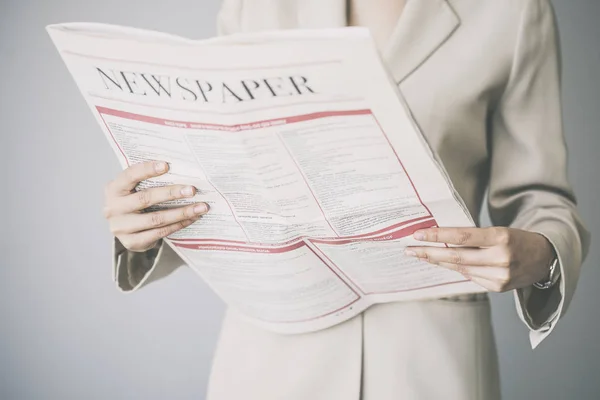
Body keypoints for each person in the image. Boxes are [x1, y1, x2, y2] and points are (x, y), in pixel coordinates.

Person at [102, 0, 590, 399]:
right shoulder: (255, 8)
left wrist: (544, 253)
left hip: (431, 361)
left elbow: (542, 196)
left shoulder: (512, 12)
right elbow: (227, 181)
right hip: (272, 363)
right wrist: (149, 218)